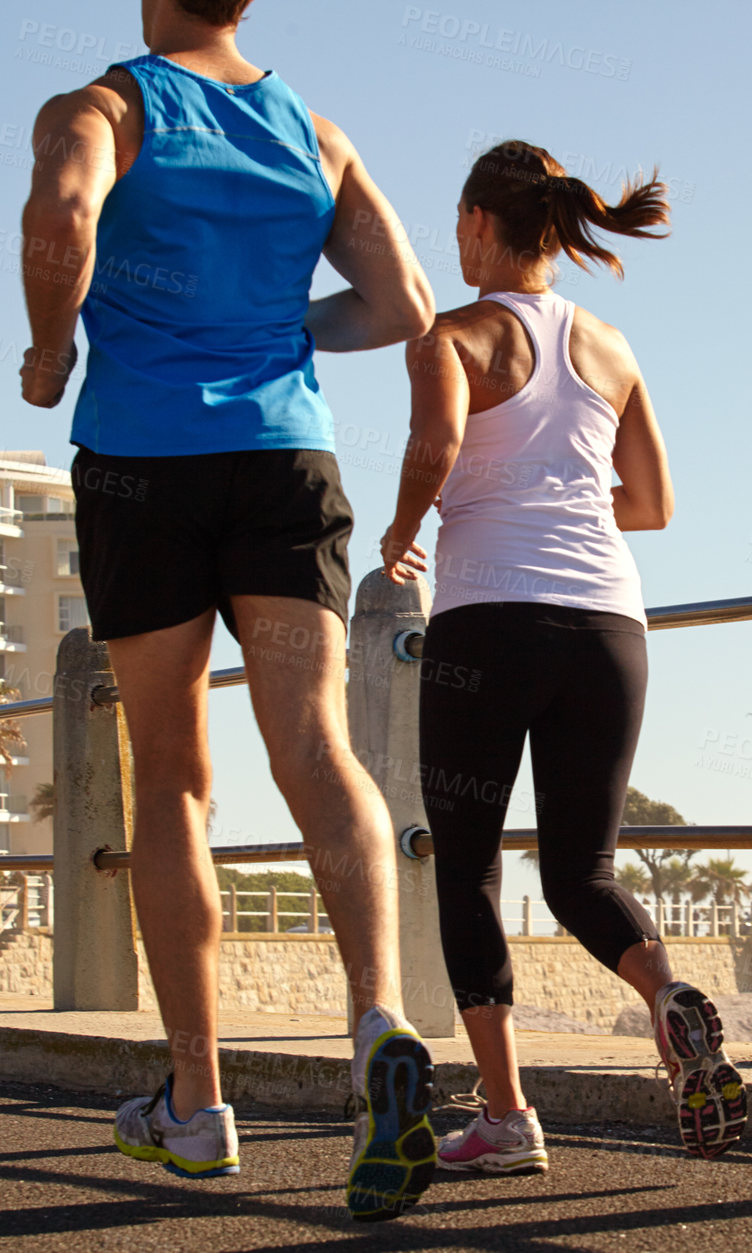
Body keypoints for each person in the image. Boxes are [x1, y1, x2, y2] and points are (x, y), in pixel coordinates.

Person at [20, 0, 438, 1221]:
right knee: (314, 742)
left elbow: (60, 220)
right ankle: (378, 1017)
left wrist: (52, 353)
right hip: (286, 459)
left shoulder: (107, 106)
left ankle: (198, 1106)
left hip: (144, 460)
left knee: (174, 779)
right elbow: (403, 303)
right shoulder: (314, 132)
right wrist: (266, 331)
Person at [379, 141, 747, 1170]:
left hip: (489, 620)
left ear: (483, 226)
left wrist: (406, 524)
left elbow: (437, 443)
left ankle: (506, 1116)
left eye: (457, 225)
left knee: (470, 864)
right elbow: (655, 506)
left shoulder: (451, 336)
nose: (453, 242)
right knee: (582, 866)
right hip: (608, 626)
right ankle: (668, 1001)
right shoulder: (613, 345)